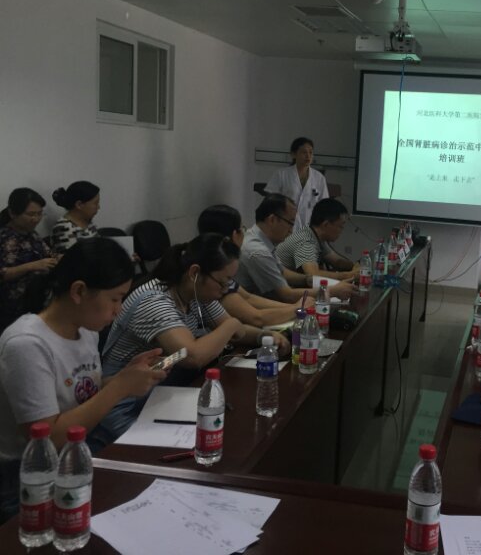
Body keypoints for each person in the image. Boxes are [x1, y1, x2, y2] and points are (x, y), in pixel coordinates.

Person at [0, 238, 166, 521]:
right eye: (115, 299)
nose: (119, 309)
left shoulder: (86, 330)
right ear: (79, 291)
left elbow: (82, 392)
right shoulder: (26, 344)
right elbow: (47, 439)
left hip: (74, 454)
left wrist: (126, 377)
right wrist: (120, 388)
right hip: (26, 476)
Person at [94, 233, 281, 446]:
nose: (224, 290)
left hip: (162, 393)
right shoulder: (153, 300)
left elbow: (234, 331)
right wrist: (232, 324)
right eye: (222, 282)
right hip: (123, 406)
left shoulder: (196, 293)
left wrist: (264, 336)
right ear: (194, 273)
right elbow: (191, 356)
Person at [197, 204, 313, 325]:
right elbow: (257, 318)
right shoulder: (215, 278)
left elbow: (248, 298)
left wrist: (295, 307)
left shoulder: (216, 264)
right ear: (234, 235)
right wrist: (297, 308)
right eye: (242, 229)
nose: (245, 233)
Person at [236, 193, 353, 303]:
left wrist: (307, 279)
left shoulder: (259, 237)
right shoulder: (259, 252)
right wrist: (332, 291)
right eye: (290, 223)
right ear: (272, 220)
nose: (291, 230)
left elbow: (282, 271)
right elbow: (286, 295)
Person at [0, 188, 57, 333]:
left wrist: (58, 258)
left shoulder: (32, 234)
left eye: (39, 214)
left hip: (38, 298)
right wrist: (32, 266)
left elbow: (48, 254)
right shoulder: (4, 237)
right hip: (13, 305)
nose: (36, 219)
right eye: (31, 214)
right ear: (13, 213)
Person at [275, 198, 356, 281]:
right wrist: (348, 275)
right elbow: (313, 275)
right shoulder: (306, 241)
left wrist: (355, 267)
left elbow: (337, 262)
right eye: (341, 226)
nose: (342, 230)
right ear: (326, 224)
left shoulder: (317, 236)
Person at [265, 137, 329, 231]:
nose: (308, 156)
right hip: (285, 225)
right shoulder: (282, 174)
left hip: (310, 227)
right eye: (304, 152)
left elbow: (324, 204)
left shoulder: (319, 178)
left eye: (310, 152)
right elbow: (270, 198)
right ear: (293, 154)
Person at [50, 181, 100, 254]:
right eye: (95, 203)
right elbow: (73, 258)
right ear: (79, 205)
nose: (98, 207)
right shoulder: (63, 228)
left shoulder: (88, 221)